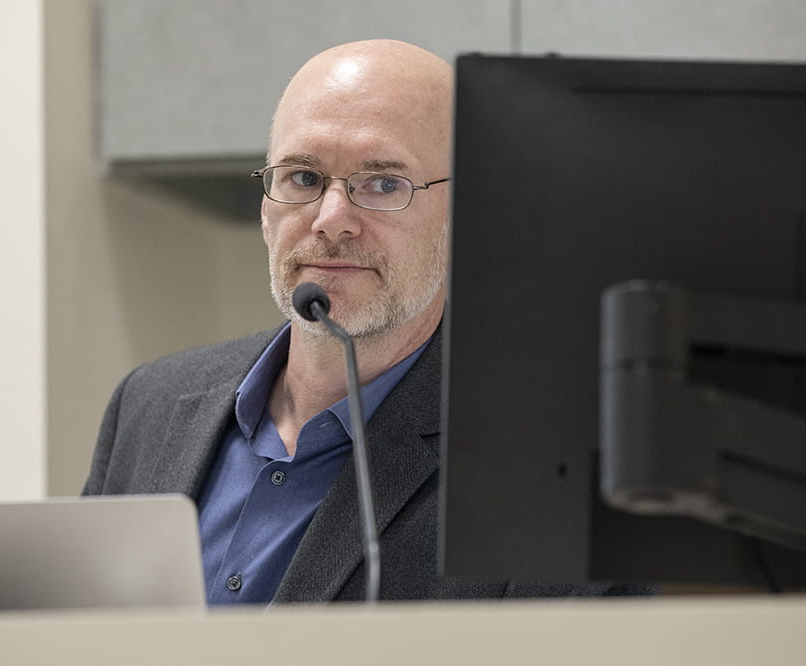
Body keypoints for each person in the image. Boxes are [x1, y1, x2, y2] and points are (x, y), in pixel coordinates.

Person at [83, 39, 650, 604]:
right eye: (302, 178)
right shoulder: (149, 406)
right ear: (266, 206)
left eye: (383, 184)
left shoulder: (560, 469)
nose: (331, 220)